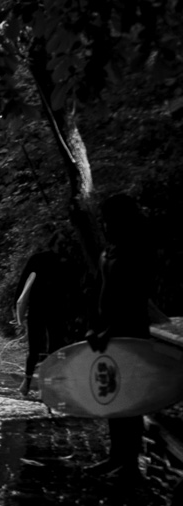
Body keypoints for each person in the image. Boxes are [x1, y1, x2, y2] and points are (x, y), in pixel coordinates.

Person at [85, 194, 168, 477]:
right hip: (106, 332)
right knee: (111, 394)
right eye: (103, 220)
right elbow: (100, 291)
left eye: (109, 220)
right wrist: (94, 327)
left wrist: (109, 331)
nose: (105, 225)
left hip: (129, 331)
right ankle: (115, 456)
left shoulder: (140, 251)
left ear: (125, 219)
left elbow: (135, 296)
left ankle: (129, 463)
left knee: (128, 398)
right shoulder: (111, 250)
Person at [14, 235, 75, 394]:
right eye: (60, 243)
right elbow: (24, 283)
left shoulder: (66, 261)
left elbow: (71, 288)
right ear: (53, 244)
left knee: (54, 347)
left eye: (65, 244)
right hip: (40, 308)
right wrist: (18, 306)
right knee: (35, 348)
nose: (63, 246)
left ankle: (47, 383)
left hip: (56, 310)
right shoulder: (40, 259)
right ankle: (27, 382)